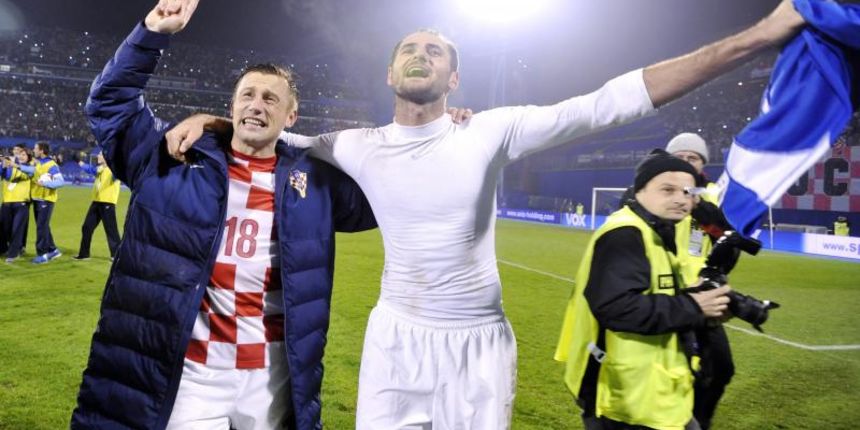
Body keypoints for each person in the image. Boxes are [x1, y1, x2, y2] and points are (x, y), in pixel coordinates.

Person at [169, 2, 805, 427]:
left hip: (477, 344)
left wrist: (760, 36)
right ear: (391, 71)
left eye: (436, 50)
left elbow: (609, 103)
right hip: (395, 339)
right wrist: (213, 118)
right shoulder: (357, 146)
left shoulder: (491, 131)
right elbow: (273, 131)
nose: (421, 54)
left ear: (454, 80)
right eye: (409, 47)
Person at [70, 2, 376, 429]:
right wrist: (153, 31)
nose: (256, 104)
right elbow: (108, 104)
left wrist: (442, 129)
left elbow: (393, 194)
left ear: (291, 117)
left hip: (272, 378)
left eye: (270, 98)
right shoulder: (170, 155)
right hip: (193, 373)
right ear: (231, 107)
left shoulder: (317, 183)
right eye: (247, 95)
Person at [555, 149, 733, 429]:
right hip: (621, 398)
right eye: (667, 190)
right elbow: (618, 308)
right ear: (640, 191)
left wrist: (699, 302)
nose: (679, 198)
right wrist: (695, 306)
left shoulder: (658, 230)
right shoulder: (626, 235)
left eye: (687, 192)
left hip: (654, 393)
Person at [666, 132, 734, 430]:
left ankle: (698, 420)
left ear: (702, 163)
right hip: (662, 291)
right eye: (679, 157)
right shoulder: (652, 189)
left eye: (692, 157)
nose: (685, 162)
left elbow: (729, 249)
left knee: (721, 368)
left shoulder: (714, 197)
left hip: (702, 295)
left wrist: (714, 224)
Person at [73, 150, 122, 261]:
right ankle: (84, 254)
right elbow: (89, 169)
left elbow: (119, 173)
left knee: (111, 230)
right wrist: (78, 161)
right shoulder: (100, 169)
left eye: (100, 154)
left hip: (107, 203)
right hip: (96, 202)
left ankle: (117, 255)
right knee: (86, 227)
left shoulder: (113, 170)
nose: (98, 156)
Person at [29, 141, 65, 264]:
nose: (34, 150)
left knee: (41, 227)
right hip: (38, 199)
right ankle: (53, 250)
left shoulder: (51, 164)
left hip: (46, 200)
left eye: (35, 148)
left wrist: (45, 183)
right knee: (44, 226)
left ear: (42, 150)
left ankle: (42, 254)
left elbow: (60, 181)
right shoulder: (40, 163)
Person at [1, 144, 33, 263]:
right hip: (6, 202)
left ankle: (13, 253)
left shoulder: (29, 168)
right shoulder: (11, 166)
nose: (21, 156)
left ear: (29, 157)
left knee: (17, 229)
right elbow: (3, 173)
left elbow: (9, 177)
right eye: (20, 154)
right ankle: (3, 249)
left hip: (21, 203)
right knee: (4, 229)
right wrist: (4, 166)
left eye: (24, 154)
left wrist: (10, 165)